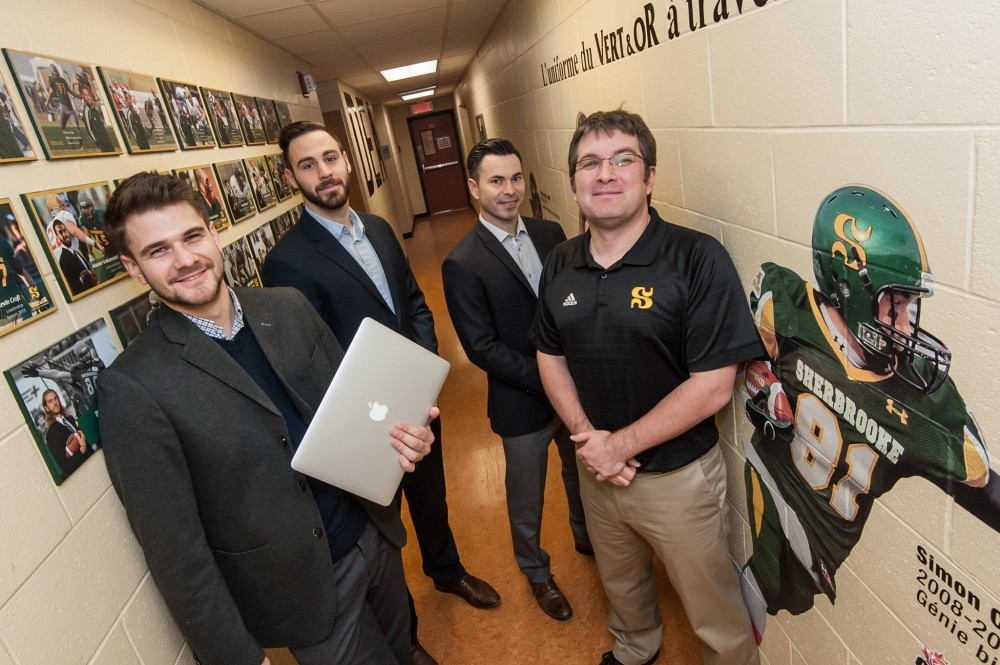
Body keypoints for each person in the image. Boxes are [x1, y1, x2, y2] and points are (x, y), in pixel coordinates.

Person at [97, 171, 437, 665]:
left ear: (213, 234)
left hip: (372, 535)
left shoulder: (288, 306)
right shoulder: (133, 386)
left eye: (192, 236)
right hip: (302, 593)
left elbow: (357, 412)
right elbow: (176, 553)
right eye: (158, 251)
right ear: (133, 267)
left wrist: (408, 438)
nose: (186, 259)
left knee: (402, 648)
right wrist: (236, 656)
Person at [261, 121, 500, 665]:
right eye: (307, 165)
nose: (323, 173)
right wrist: (378, 400)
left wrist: (420, 369)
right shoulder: (287, 260)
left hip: (413, 398)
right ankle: (408, 639)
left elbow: (413, 300)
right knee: (384, 528)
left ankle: (448, 572)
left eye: (329, 159)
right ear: (289, 176)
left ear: (346, 160)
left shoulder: (379, 228)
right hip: (364, 418)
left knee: (431, 495)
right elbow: (309, 356)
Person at [530, 109, 761, 665]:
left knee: (711, 603)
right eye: (590, 163)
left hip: (678, 478)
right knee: (622, 584)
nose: (604, 174)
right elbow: (548, 353)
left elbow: (712, 387)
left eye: (622, 160)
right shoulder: (561, 259)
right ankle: (636, 649)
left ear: (650, 176)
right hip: (596, 467)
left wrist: (618, 447)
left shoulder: (695, 258)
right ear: (574, 181)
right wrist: (590, 439)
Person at [738, 185, 1000, 637]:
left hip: (817, 555)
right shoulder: (789, 309)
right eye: (895, 305)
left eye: (910, 307)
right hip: (768, 489)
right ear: (847, 288)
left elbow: (984, 485)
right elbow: (745, 356)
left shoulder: (922, 402)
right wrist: (760, 382)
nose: (907, 325)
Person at [442, 138, 590, 622]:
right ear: (473, 187)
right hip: (521, 400)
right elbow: (481, 348)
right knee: (525, 497)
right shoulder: (463, 262)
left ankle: (589, 539)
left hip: (575, 390)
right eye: (497, 180)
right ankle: (537, 572)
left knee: (581, 474)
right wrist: (548, 378)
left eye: (516, 178)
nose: (510, 191)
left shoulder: (552, 234)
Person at [42, 389, 92, 477]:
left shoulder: (70, 419)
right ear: (46, 408)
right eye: (50, 401)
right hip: (81, 475)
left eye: (55, 398)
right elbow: (66, 467)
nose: (55, 402)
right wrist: (82, 450)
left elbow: (85, 443)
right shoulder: (51, 435)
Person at [53, 220, 96, 294]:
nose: (65, 234)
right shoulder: (64, 260)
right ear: (57, 238)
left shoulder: (75, 252)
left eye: (65, 230)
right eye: (60, 232)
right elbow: (75, 289)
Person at [80, 85, 115, 153]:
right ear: (83, 97)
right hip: (102, 143)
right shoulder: (87, 111)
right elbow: (89, 130)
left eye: (88, 95)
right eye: (85, 95)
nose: (88, 97)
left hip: (107, 140)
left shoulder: (95, 109)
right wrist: (97, 142)